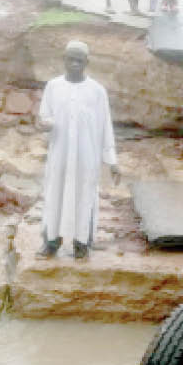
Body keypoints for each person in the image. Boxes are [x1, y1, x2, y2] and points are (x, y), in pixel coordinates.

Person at [36, 41, 120, 261]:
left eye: (79, 60)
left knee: (84, 198)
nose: (74, 64)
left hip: (86, 158)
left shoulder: (97, 91)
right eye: (70, 59)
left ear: (86, 63)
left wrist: (112, 161)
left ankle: (81, 244)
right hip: (60, 156)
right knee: (55, 196)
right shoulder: (53, 87)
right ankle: (51, 242)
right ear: (63, 59)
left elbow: (105, 126)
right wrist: (44, 124)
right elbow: (44, 116)